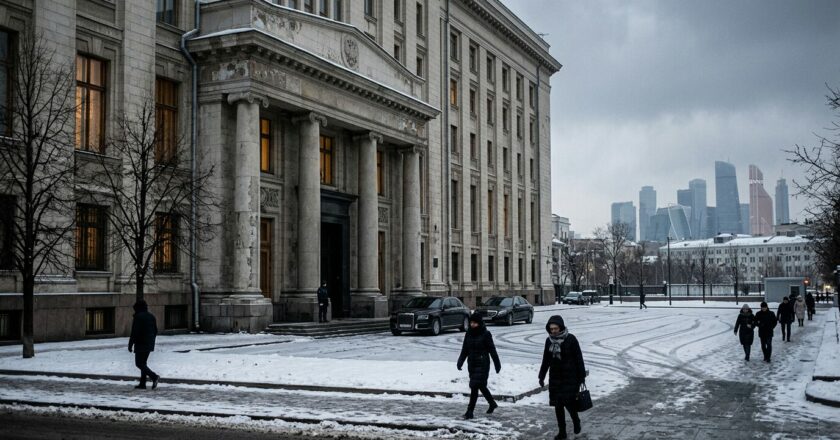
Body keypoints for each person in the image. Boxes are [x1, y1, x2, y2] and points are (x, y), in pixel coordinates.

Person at [538, 315, 587, 440]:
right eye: (551, 329)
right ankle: (562, 432)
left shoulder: (571, 339)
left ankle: (576, 421)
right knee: (558, 406)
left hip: (570, 377)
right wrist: (541, 376)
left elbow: (578, 358)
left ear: (561, 327)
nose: (553, 331)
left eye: (556, 328)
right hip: (555, 378)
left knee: (569, 404)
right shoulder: (549, 341)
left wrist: (581, 376)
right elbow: (546, 359)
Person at [457, 313, 501, 419]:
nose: (472, 325)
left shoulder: (486, 334)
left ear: (480, 323)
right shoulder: (468, 333)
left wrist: (497, 363)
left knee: (474, 387)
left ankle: (469, 411)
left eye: (475, 323)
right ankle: (492, 403)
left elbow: (492, 350)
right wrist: (460, 361)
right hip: (472, 364)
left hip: (483, 364)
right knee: (480, 386)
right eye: (471, 322)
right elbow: (465, 350)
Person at [128, 299, 160, 389]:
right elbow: (155, 330)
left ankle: (154, 377)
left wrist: (130, 345)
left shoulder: (138, 317)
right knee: (143, 363)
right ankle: (143, 384)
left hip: (141, 343)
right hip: (149, 343)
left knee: (139, 363)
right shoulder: (151, 316)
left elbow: (134, 332)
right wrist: (151, 340)